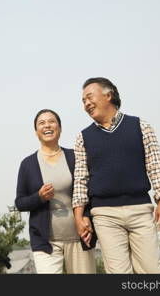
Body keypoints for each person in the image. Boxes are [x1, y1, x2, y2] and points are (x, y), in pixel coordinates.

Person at [72, 77, 160, 274]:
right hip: (104, 214)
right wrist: (79, 216)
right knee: (118, 272)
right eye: (83, 101)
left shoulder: (140, 126)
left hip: (140, 210)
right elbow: (81, 179)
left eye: (89, 97)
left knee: (153, 269)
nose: (86, 104)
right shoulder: (83, 137)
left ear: (108, 95)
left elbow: (156, 165)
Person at [15, 109, 96, 274]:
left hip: (79, 236)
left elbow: (90, 191)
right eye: (42, 123)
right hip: (46, 242)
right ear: (36, 131)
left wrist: (86, 215)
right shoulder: (28, 164)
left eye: (51, 122)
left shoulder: (75, 157)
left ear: (59, 128)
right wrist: (39, 197)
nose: (47, 125)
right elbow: (20, 202)